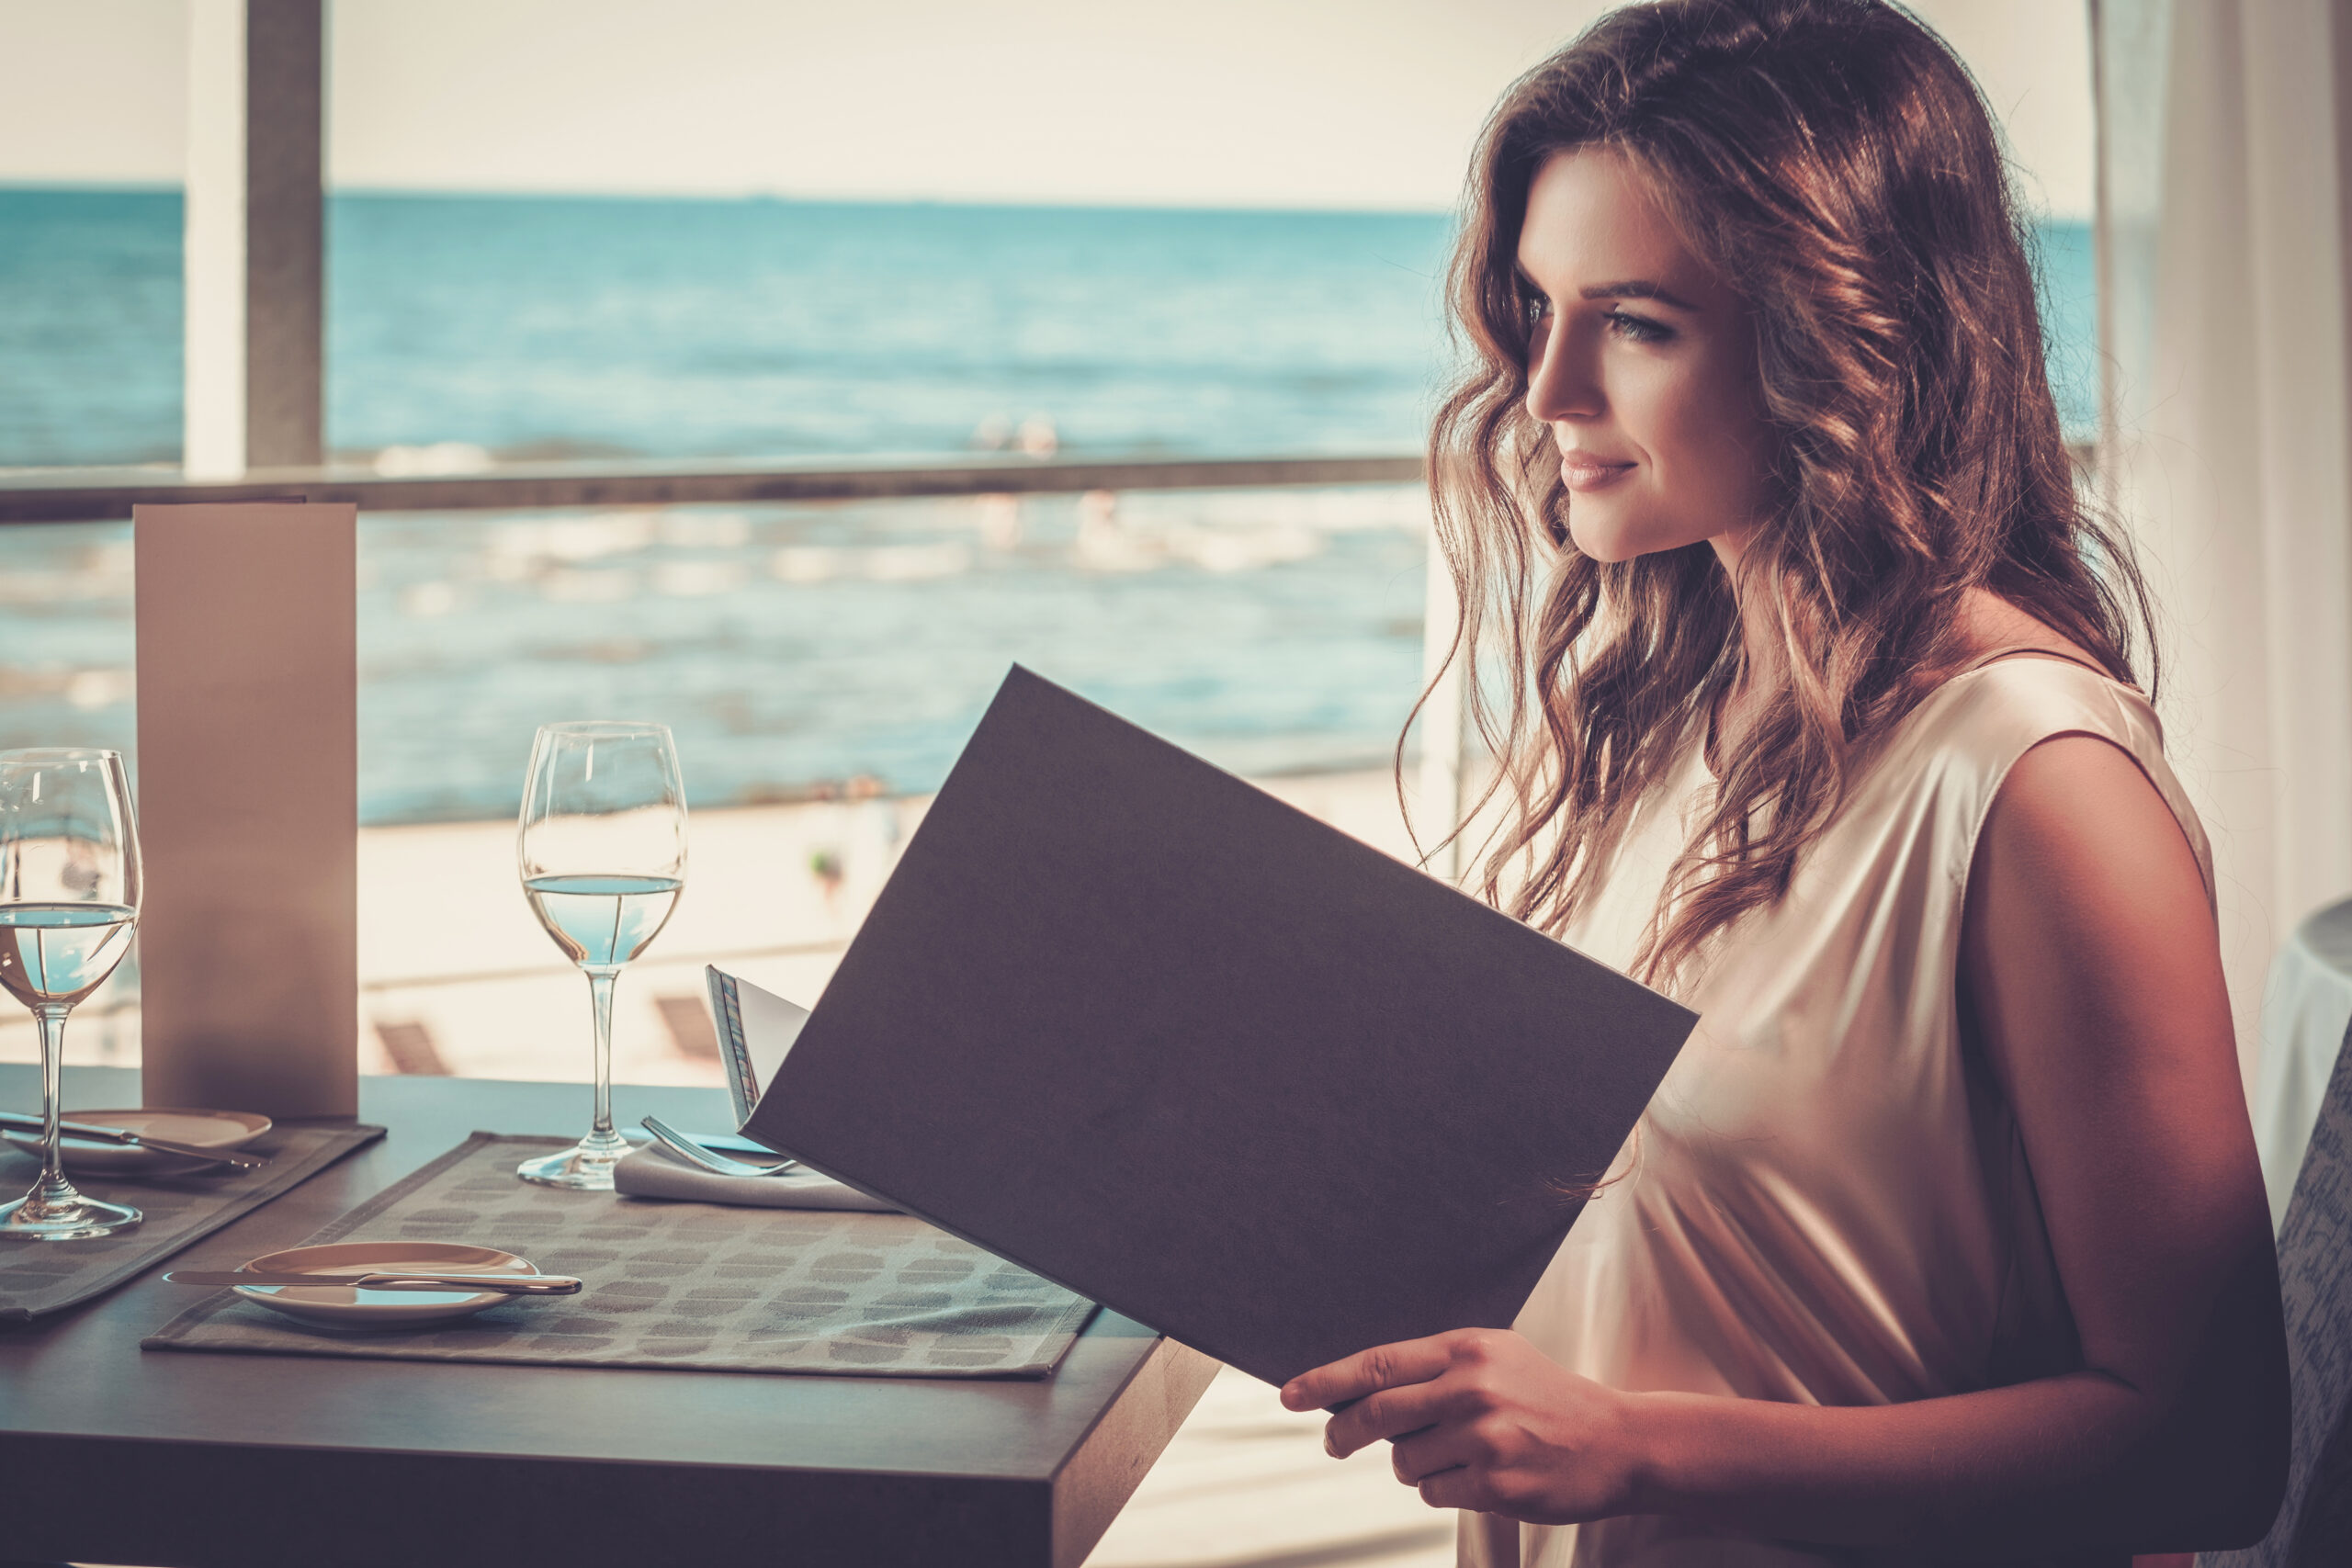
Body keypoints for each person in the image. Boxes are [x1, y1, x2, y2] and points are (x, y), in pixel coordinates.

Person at [1279, 2, 2291, 1564]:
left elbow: (2211, 1447)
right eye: (1537, 305)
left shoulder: (2039, 787)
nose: (1546, 391)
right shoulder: (1665, 711)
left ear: (1849, 337)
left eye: (1637, 323)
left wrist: (1629, 1447)